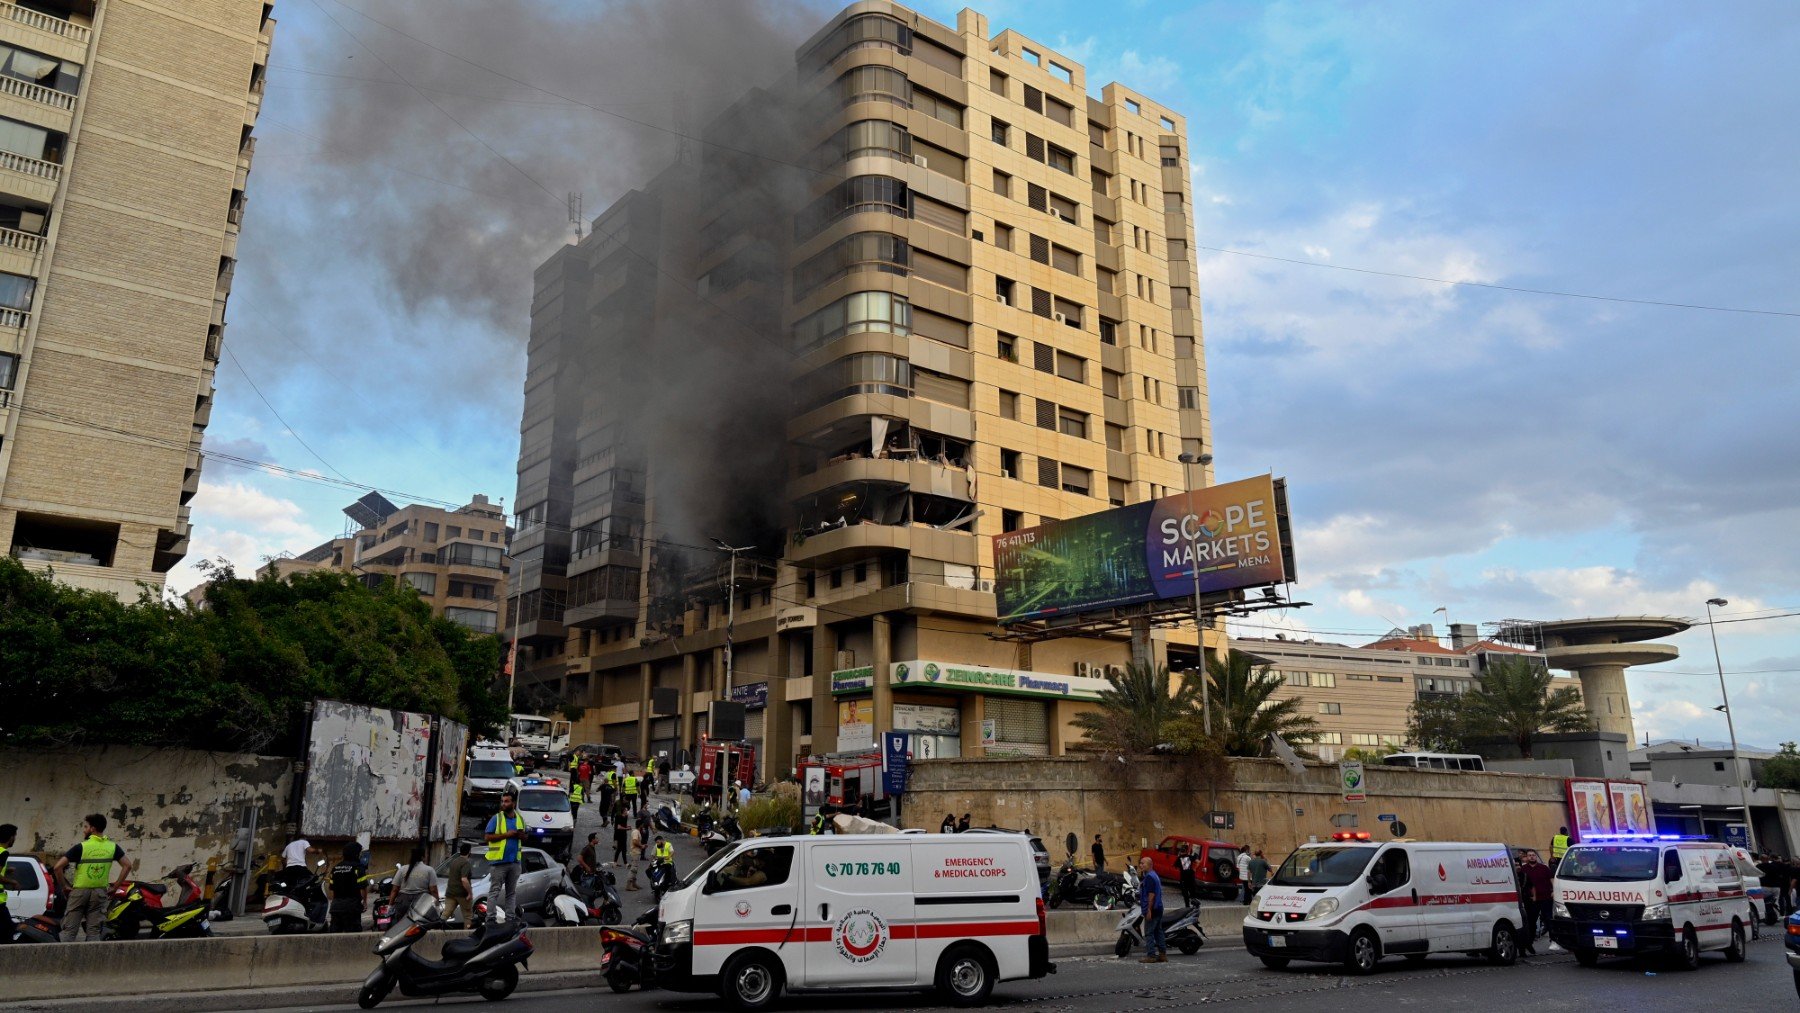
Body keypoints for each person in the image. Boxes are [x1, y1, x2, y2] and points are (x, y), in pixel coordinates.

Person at [55, 813, 128, 941]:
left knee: (70, 931)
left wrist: (65, 887)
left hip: (79, 892)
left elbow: (57, 867)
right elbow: (127, 865)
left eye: (85, 826)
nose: (84, 830)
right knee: (94, 931)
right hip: (99, 892)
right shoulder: (112, 847)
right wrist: (116, 886)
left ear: (92, 829)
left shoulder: (81, 847)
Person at [485, 787, 527, 919]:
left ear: (513, 803)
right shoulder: (496, 818)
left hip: (515, 862)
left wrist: (521, 835)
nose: (504, 804)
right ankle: (490, 918)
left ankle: (510, 917)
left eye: (507, 801)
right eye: (503, 801)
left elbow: (525, 837)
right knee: (494, 892)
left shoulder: (519, 819)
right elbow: (487, 837)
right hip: (499, 862)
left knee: (511, 892)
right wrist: (507, 835)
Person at [328, 841, 366, 933]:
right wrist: (364, 902)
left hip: (336, 907)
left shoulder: (335, 868)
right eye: (360, 853)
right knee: (353, 938)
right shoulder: (358, 867)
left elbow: (332, 890)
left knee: (335, 937)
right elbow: (363, 888)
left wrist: (335, 903)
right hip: (351, 908)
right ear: (355, 853)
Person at [391, 844, 438, 918]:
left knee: (401, 924)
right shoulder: (429, 870)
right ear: (423, 857)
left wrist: (390, 905)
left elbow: (395, 889)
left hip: (402, 902)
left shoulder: (402, 869)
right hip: (421, 903)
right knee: (418, 924)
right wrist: (436, 904)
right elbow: (433, 890)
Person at [1137, 855, 1166, 963]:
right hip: (1159, 907)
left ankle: (1151, 956)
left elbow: (1151, 894)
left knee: (1149, 933)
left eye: (1143, 863)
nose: (1141, 865)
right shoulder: (1154, 875)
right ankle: (1162, 954)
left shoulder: (1149, 877)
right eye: (1140, 863)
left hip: (1152, 908)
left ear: (1149, 864)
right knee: (1158, 931)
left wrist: (1148, 909)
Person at [441, 842, 475, 926]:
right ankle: (466, 935)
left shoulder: (454, 861)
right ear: (469, 852)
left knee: (445, 914)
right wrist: (470, 893)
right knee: (468, 916)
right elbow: (464, 879)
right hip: (462, 894)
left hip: (450, 892)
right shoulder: (465, 863)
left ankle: (436, 929)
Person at [0, 823, 19, 944]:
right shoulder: (3, 853)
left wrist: (6, 870)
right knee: (8, 931)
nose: (15, 839)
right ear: (10, 837)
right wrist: (13, 882)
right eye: (15, 836)